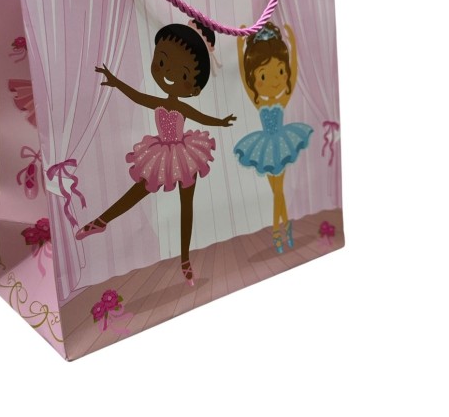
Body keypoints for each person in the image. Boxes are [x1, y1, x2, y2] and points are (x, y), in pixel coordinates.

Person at [75, 20, 236, 286]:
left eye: (182, 74)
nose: (169, 74)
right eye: (162, 62)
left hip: (185, 155)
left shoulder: (182, 107)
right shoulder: (160, 102)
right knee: (139, 189)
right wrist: (115, 82)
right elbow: (138, 97)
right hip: (162, 153)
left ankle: (185, 260)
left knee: (186, 205)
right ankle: (102, 220)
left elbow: (202, 117)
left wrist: (220, 122)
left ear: (193, 87)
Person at [234, 21, 313, 254]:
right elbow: (244, 78)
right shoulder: (258, 101)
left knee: (277, 191)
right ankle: (284, 228)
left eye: (280, 71)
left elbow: (294, 74)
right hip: (266, 148)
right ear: (255, 78)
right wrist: (240, 50)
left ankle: (279, 231)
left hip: (282, 143)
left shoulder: (283, 98)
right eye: (263, 75)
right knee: (277, 191)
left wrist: (293, 46)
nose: (275, 79)